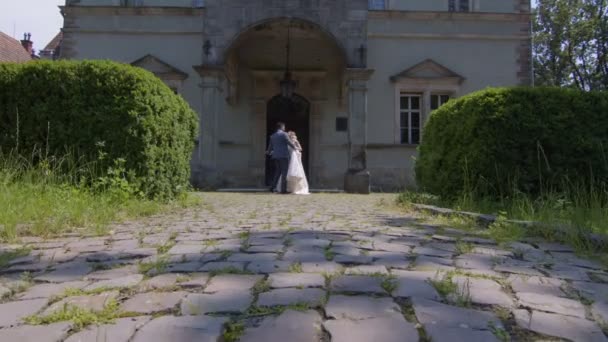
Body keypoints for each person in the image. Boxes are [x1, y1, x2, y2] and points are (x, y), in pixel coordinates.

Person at [267, 122, 296, 194]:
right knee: (284, 173)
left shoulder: (272, 136)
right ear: (282, 127)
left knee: (277, 172)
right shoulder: (284, 134)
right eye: (284, 127)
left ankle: (272, 187)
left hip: (276, 156)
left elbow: (270, 147)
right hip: (283, 155)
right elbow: (289, 142)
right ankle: (283, 190)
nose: (284, 128)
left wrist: (268, 152)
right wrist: (295, 147)